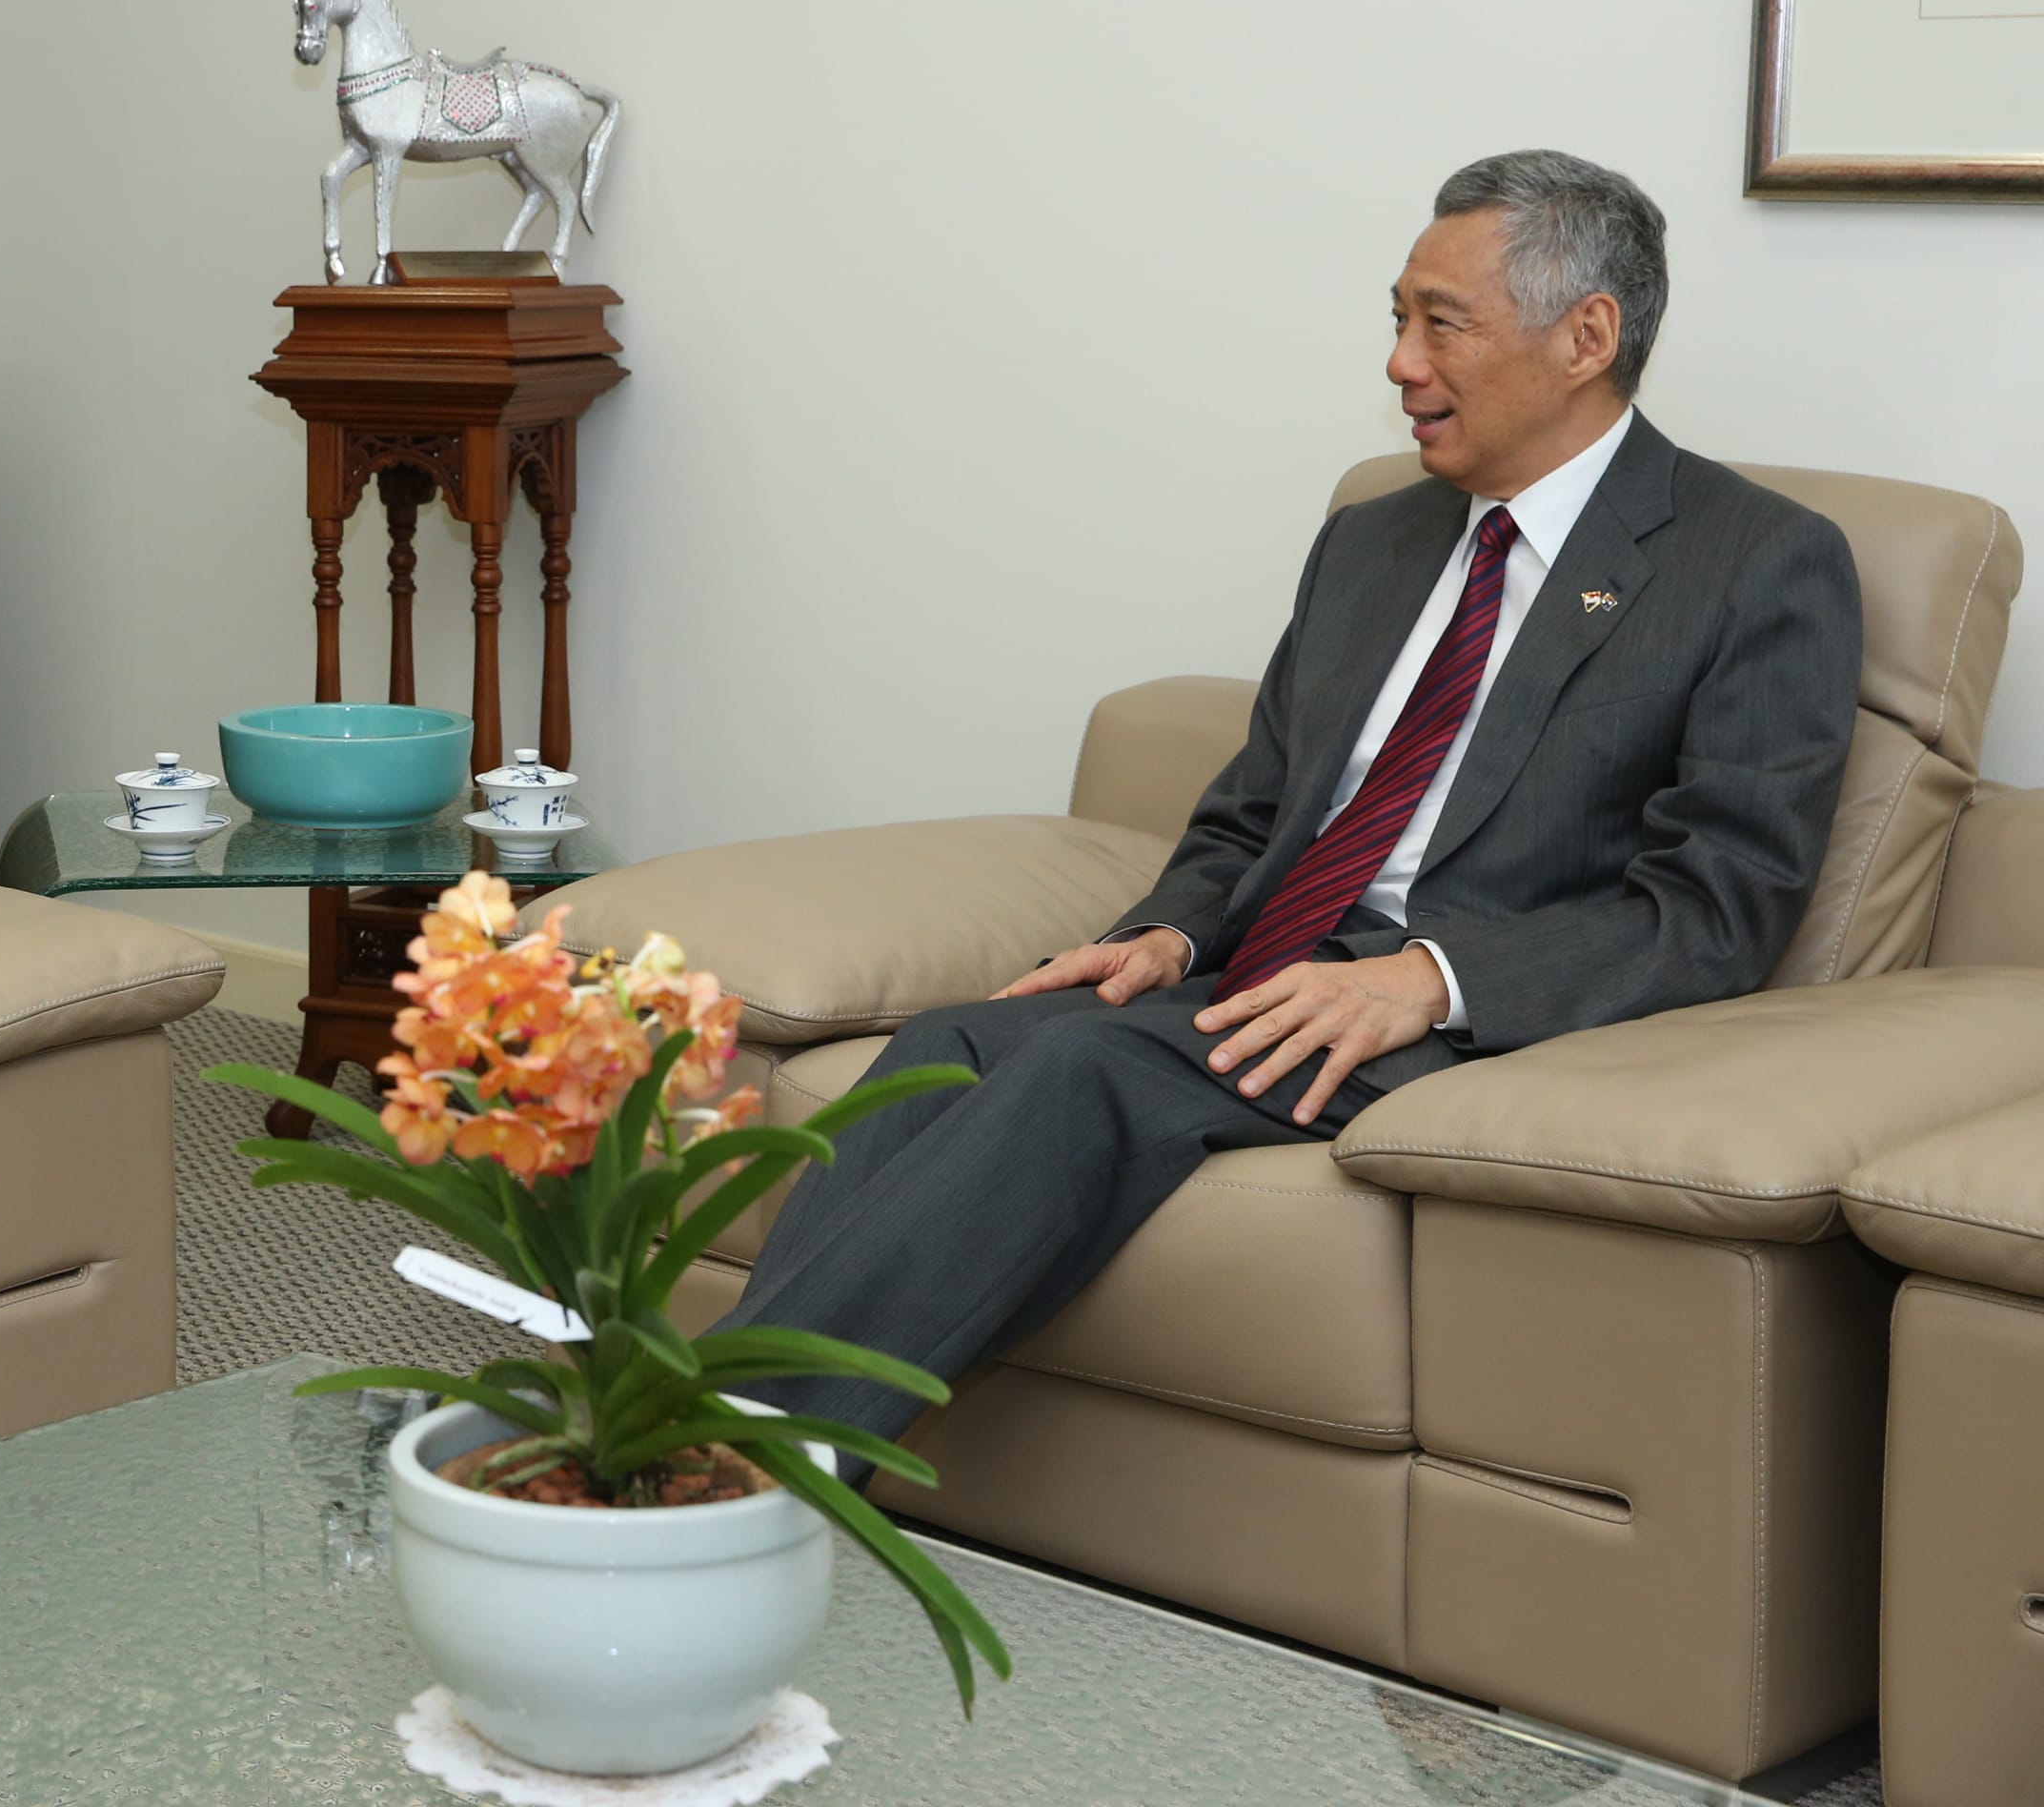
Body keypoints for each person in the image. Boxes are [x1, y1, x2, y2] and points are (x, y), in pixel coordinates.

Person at [725, 150, 1864, 1437]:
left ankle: (721, 1474)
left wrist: (1426, 978)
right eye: (1398, 317)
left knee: (1086, 1073)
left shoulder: (1753, 561)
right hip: (1271, 969)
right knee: (945, 1046)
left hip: (1457, 1011)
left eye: (1443, 323)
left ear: (1585, 337)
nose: (1400, 364)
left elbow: (1721, 904)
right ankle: (719, 1443)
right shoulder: (1377, 537)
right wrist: (1169, 934)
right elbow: (1252, 811)